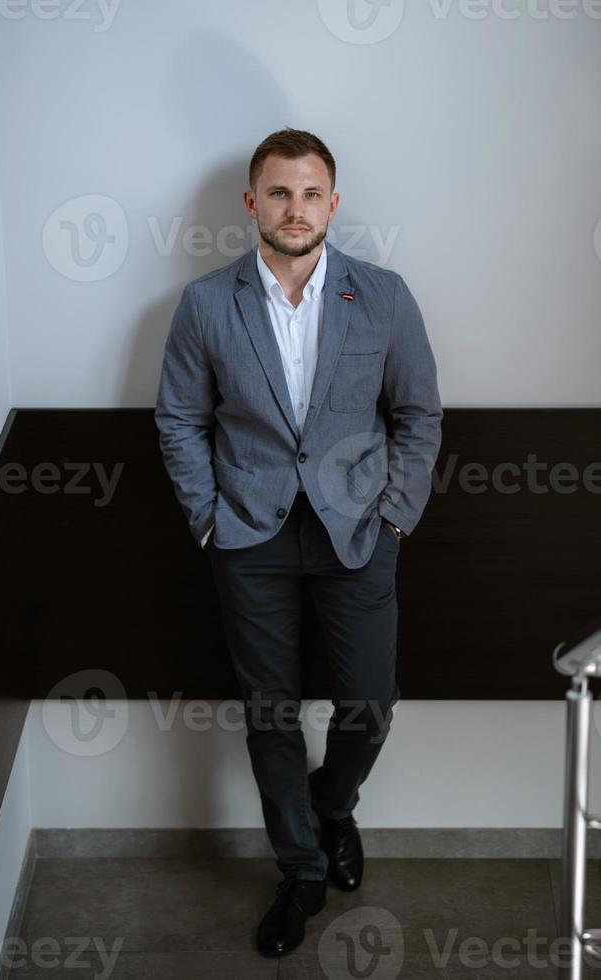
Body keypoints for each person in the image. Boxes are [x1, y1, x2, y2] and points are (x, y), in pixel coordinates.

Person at [154, 127, 443, 958]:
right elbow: (178, 417)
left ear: (332, 203)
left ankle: (334, 803)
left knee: (370, 703)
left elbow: (417, 414)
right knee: (269, 711)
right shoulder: (207, 303)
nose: (295, 207)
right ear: (252, 203)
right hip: (247, 534)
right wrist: (208, 516)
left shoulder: (382, 295)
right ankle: (299, 868)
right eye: (278, 192)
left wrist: (395, 514)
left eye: (310, 192)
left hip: (360, 532)